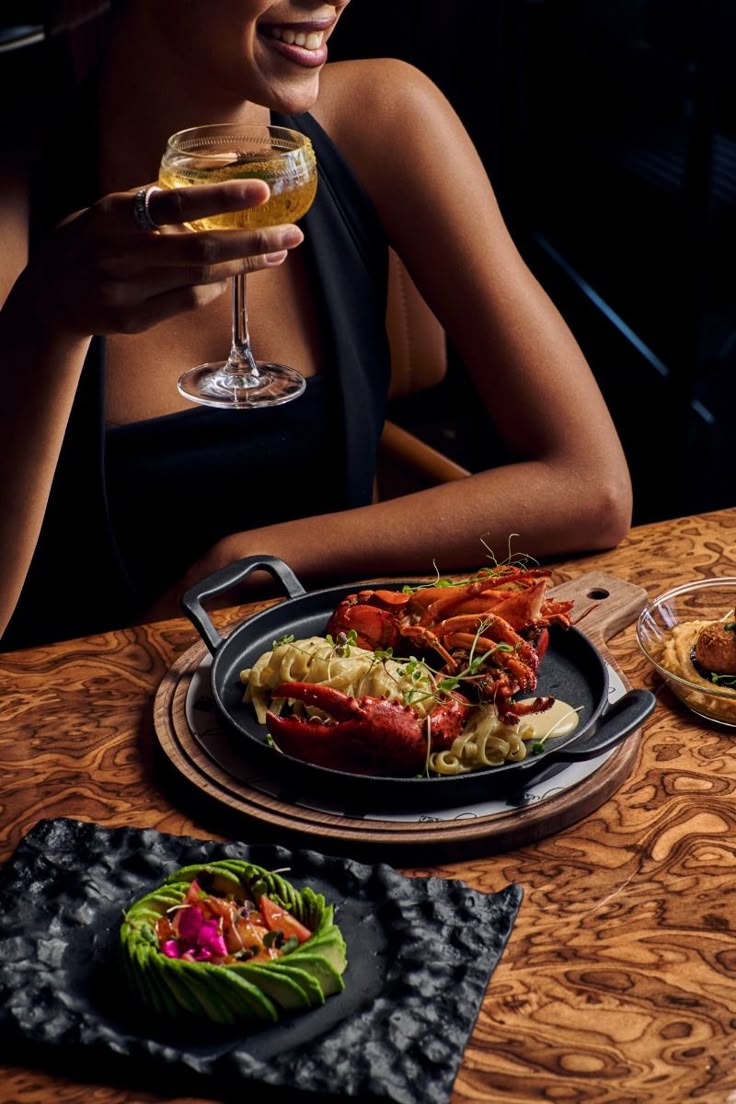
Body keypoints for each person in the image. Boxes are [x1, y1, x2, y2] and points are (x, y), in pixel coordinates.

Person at [0, 0, 632, 652]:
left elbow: (594, 488)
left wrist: (256, 556)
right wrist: (46, 319)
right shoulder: (15, 189)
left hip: (330, 709)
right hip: (69, 727)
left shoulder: (387, 115)